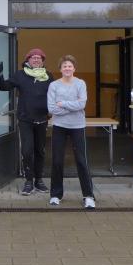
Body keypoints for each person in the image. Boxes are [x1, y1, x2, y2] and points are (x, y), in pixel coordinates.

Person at [0, 48, 53, 195]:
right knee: (27, 151)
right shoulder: (20, 75)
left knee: (40, 151)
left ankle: (39, 180)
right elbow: (4, 87)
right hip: (25, 119)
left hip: (42, 119)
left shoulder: (48, 76)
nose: (36, 59)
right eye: (33, 57)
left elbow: (55, 94)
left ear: (43, 61)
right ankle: (28, 181)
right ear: (28, 60)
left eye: (39, 58)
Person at [47, 55, 95, 209]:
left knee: (81, 160)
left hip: (77, 126)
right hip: (59, 126)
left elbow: (82, 104)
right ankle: (55, 195)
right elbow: (51, 108)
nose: (67, 68)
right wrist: (72, 107)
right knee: (57, 160)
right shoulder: (54, 85)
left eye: (70, 66)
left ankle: (88, 196)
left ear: (74, 68)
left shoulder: (80, 83)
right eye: (64, 66)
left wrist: (63, 104)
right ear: (60, 69)